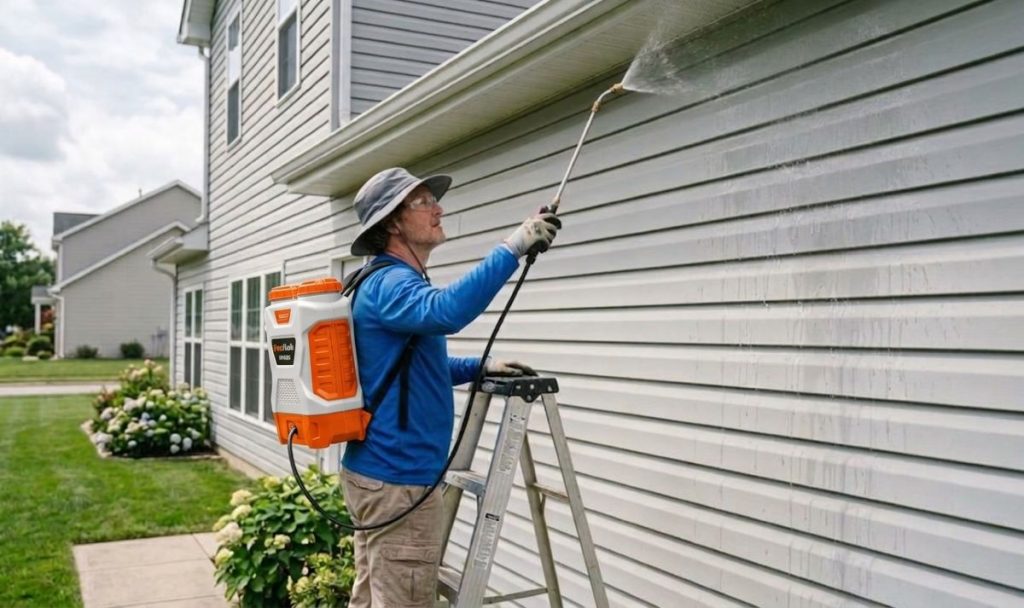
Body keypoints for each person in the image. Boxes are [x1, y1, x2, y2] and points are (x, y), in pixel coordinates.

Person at [340, 167, 561, 607]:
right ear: (393, 223)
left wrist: (481, 367)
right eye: (423, 202)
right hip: (398, 479)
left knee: (370, 597)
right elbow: (447, 312)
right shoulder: (390, 283)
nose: (438, 209)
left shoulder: (382, 281)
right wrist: (513, 246)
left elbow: (412, 368)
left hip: (379, 473)